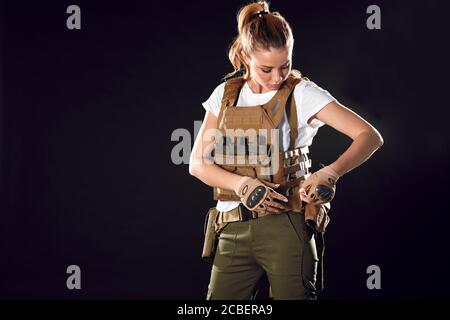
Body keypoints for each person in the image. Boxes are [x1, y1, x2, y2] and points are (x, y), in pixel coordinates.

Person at [189, 1, 383, 300]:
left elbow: (369, 136)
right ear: (244, 57)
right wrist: (242, 184)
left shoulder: (302, 93)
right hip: (231, 229)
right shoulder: (225, 94)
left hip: (286, 227)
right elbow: (198, 164)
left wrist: (330, 173)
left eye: (285, 65)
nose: (277, 77)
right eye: (266, 69)